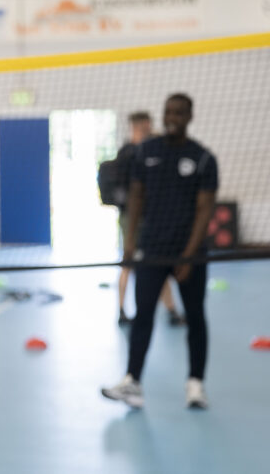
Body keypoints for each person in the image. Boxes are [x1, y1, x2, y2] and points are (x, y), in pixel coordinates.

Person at [102, 93, 217, 410]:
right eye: (169, 112)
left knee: (195, 317)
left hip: (190, 253)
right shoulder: (146, 152)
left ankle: (196, 384)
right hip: (152, 248)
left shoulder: (203, 158)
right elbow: (136, 197)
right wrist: (130, 242)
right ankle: (132, 382)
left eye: (179, 112)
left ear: (189, 116)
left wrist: (189, 255)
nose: (172, 117)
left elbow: (205, 210)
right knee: (143, 315)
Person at [113, 112, 184, 327]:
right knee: (128, 263)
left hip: (152, 218)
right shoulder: (129, 153)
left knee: (158, 262)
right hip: (131, 219)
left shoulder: (149, 150)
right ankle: (122, 310)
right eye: (146, 125)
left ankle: (171, 310)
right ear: (140, 125)